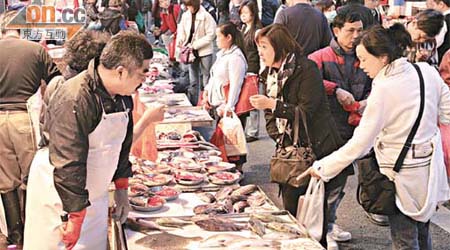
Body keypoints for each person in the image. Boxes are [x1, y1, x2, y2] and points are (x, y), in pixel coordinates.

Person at [302, 24, 450, 250]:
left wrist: (323, 167)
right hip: (428, 171)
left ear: (382, 57)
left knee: (404, 239)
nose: (361, 66)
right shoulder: (425, 71)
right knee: (422, 232)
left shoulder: (384, 86)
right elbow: (446, 112)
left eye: (364, 59)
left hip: (400, 175)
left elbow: (360, 144)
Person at [23, 31, 156, 250]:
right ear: (121, 72)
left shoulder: (122, 97)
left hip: (93, 196)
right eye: (142, 74)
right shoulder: (75, 97)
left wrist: (122, 187)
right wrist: (75, 216)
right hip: (60, 195)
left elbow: (122, 145)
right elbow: (69, 161)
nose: (143, 81)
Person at [249, 24, 345, 247]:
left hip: (316, 147)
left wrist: (273, 104)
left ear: (280, 47)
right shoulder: (269, 73)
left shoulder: (306, 69)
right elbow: (270, 117)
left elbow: (307, 111)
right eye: (259, 47)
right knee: (290, 211)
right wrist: (279, 138)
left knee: (313, 212)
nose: (260, 52)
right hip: (290, 152)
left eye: (264, 46)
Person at [308, 10, 372, 247]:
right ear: (336, 30)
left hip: (353, 130)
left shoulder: (364, 57)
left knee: (340, 183)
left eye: (359, 30)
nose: (356, 36)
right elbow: (308, 81)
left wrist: (367, 99)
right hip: (324, 130)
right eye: (350, 30)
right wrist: (334, 89)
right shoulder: (319, 57)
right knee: (326, 181)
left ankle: (330, 224)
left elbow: (374, 84)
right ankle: (323, 229)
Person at [0, 10, 60, 247]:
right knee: (33, 178)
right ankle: (35, 233)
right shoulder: (36, 51)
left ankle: (16, 237)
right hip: (25, 119)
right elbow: (57, 82)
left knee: (6, 181)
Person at [176, 0, 217, 105]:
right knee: (193, 80)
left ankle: (207, 104)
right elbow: (181, 30)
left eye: (191, 6)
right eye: (188, 6)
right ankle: (193, 103)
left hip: (204, 50)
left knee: (206, 78)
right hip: (190, 52)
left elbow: (211, 34)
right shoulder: (185, 16)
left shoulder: (206, 16)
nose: (189, 9)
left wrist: (195, 45)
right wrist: (181, 40)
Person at [239, 0, 263, 142]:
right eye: (241, 13)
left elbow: (260, 52)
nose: (243, 16)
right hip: (245, 67)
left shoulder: (258, 31)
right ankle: (248, 129)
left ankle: (253, 131)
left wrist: (262, 71)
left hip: (254, 68)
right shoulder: (243, 28)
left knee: (254, 101)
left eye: (246, 13)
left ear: (253, 14)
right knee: (247, 100)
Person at [426, 0, 450, 64]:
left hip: (443, 60)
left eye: (433, 5)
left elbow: (436, 43)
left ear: (441, 4)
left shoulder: (442, 22)